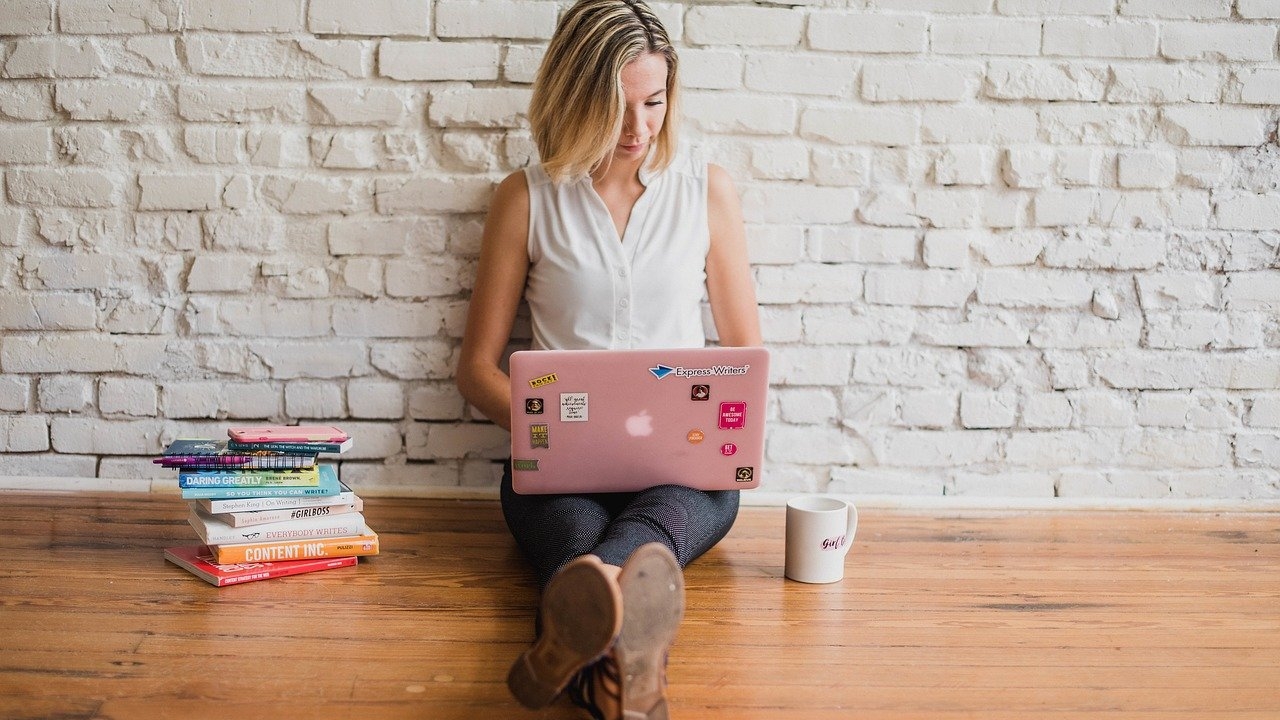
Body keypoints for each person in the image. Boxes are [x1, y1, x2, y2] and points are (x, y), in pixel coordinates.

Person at [455, 1, 762, 717]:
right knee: (595, 541)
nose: (638, 128)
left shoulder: (704, 191)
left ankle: (578, 637)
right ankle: (633, 670)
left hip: (683, 474)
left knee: (606, 555)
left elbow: (745, 357)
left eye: (653, 103)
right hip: (556, 474)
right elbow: (475, 370)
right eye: (616, 106)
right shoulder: (525, 199)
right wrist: (545, 427)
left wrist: (730, 424)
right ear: (574, 96)